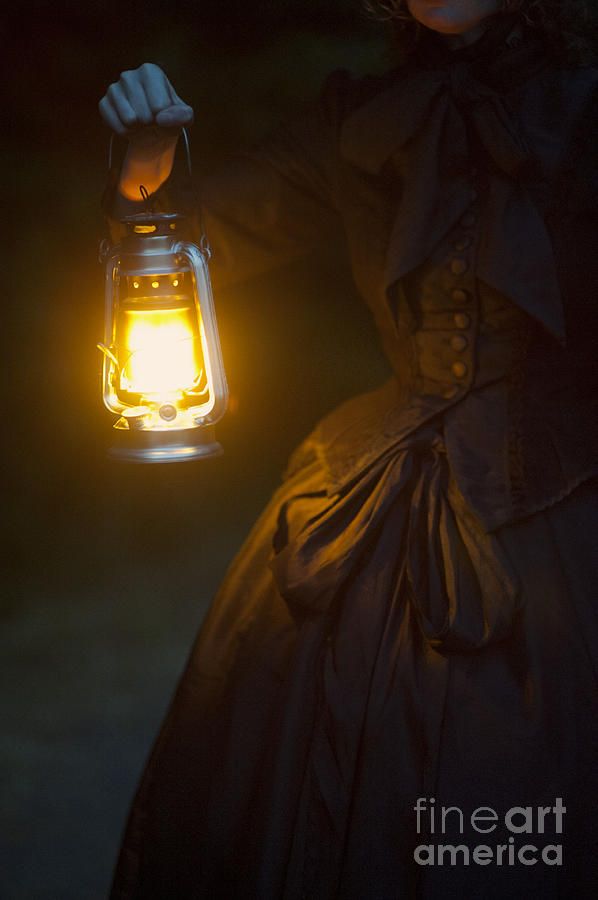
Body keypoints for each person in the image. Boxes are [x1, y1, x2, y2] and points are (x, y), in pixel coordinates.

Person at [100, 1, 598, 897]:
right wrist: (144, 169)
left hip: (564, 515)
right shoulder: (355, 117)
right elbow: (183, 243)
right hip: (369, 496)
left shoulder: (589, 108)